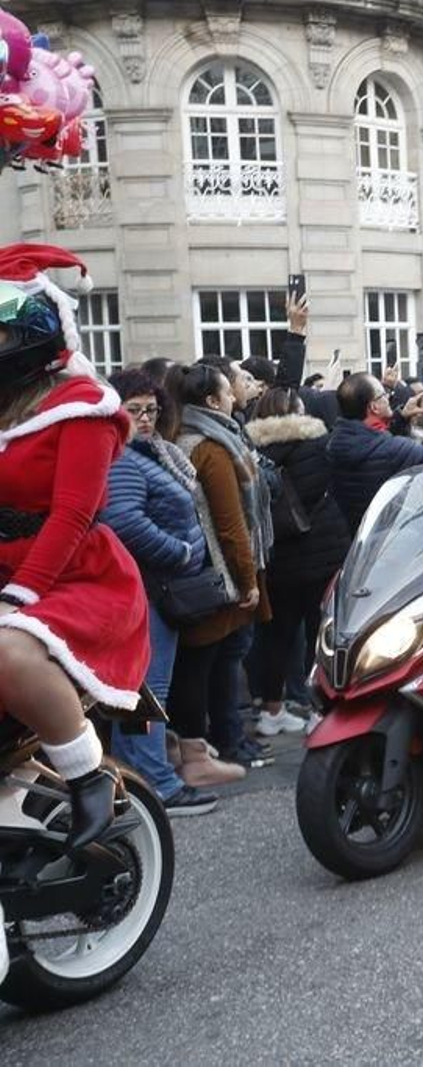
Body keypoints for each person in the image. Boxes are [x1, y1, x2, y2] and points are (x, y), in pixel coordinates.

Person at [0, 246, 150, 849]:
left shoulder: (81, 409)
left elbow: (72, 515)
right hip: (13, 568)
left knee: (7, 653)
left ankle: (88, 775)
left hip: (74, 577)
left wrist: (17, 594)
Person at [101, 368, 225, 811]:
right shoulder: (124, 459)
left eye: (152, 409)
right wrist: (179, 551)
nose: (146, 418)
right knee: (147, 690)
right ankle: (158, 786)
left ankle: (135, 779)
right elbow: (124, 522)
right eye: (134, 410)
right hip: (148, 589)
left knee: (138, 690)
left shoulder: (147, 453)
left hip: (151, 587)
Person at [166, 363, 276, 769]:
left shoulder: (212, 436)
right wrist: (248, 580)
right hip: (220, 576)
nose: (235, 396)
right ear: (212, 401)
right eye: (229, 391)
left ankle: (225, 738)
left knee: (219, 663)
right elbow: (230, 524)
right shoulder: (210, 447)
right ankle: (222, 741)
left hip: (213, 571)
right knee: (216, 664)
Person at [246, 386, 351, 735]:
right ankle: (317, 710)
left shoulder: (253, 448)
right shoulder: (317, 443)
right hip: (321, 549)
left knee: (276, 635)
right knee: (319, 632)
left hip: (277, 555)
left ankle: (271, 711)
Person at [326, 370, 423, 529]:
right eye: (383, 394)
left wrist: (400, 417)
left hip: (355, 538)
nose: (389, 398)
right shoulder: (391, 450)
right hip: (387, 539)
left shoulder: (335, 442)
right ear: (374, 407)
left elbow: (372, 443)